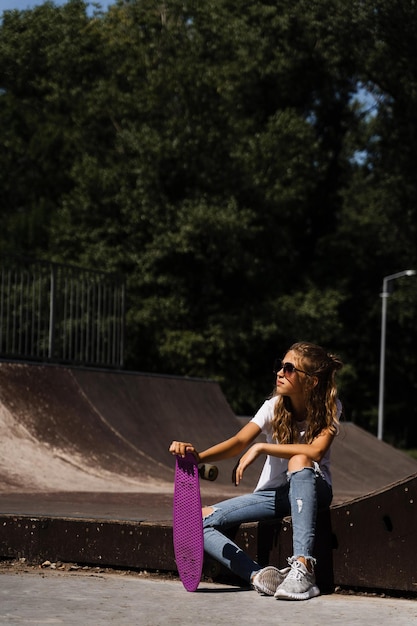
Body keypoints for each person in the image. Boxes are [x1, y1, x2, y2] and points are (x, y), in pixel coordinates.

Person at [169, 341, 343, 600]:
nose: (279, 373)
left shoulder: (330, 406)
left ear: (312, 381)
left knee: (299, 460)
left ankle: (303, 567)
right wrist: (199, 457)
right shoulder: (273, 406)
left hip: (314, 489)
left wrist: (263, 448)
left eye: (289, 368)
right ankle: (258, 576)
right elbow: (239, 442)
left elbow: (315, 452)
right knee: (197, 520)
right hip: (273, 496)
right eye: (279, 366)